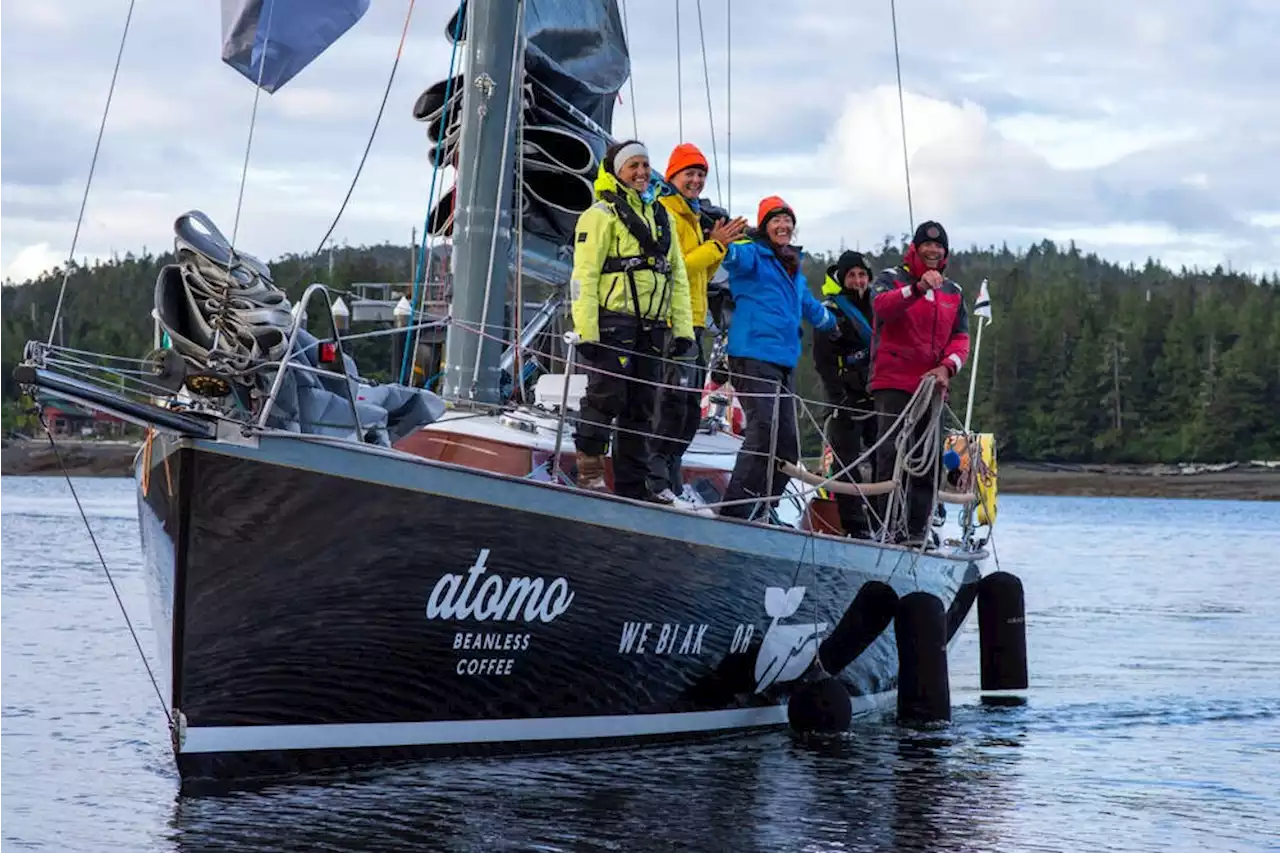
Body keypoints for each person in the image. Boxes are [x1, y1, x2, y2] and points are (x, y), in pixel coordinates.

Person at [569, 139, 695, 503]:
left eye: (644, 165)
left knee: (643, 405)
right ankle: (590, 473)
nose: (641, 173)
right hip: (614, 320)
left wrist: (683, 330)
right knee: (605, 396)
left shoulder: (662, 217)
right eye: (632, 166)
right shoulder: (600, 216)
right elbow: (584, 276)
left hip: (654, 326)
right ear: (617, 172)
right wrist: (586, 331)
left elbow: (679, 279)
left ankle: (633, 487)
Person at [718, 196, 837, 521]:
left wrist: (833, 322)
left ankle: (764, 507)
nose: (783, 226)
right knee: (763, 430)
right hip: (752, 355)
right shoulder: (753, 254)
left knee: (788, 447)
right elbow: (732, 257)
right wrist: (723, 244)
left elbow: (809, 305)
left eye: (788, 221)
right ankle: (735, 509)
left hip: (783, 363)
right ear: (765, 226)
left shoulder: (791, 268)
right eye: (776, 221)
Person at [649, 142, 748, 501]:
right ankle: (656, 478)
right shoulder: (666, 213)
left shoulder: (690, 215)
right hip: (671, 320)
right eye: (689, 173)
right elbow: (677, 264)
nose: (695, 180)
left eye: (701, 174)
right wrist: (717, 246)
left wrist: (714, 247)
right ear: (672, 175)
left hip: (692, 319)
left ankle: (672, 475)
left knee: (689, 406)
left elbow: (699, 273)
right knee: (671, 401)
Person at [868, 220, 970, 545]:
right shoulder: (890, 278)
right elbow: (881, 307)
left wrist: (946, 369)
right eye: (927, 245)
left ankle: (916, 533)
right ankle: (886, 527)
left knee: (927, 465)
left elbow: (961, 338)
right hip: (893, 383)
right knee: (890, 456)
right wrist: (917, 289)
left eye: (939, 246)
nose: (933, 250)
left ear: (945, 252)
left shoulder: (954, 292)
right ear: (915, 248)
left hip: (933, 388)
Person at [813, 250, 877, 538]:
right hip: (845, 397)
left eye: (862, 274)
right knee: (846, 462)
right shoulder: (831, 311)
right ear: (842, 278)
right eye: (851, 275)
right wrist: (837, 395)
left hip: (877, 394)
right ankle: (853, 524)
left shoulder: (879, 307)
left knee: (884, 458)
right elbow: (823, 360)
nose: (858, 280)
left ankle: (881, 518)